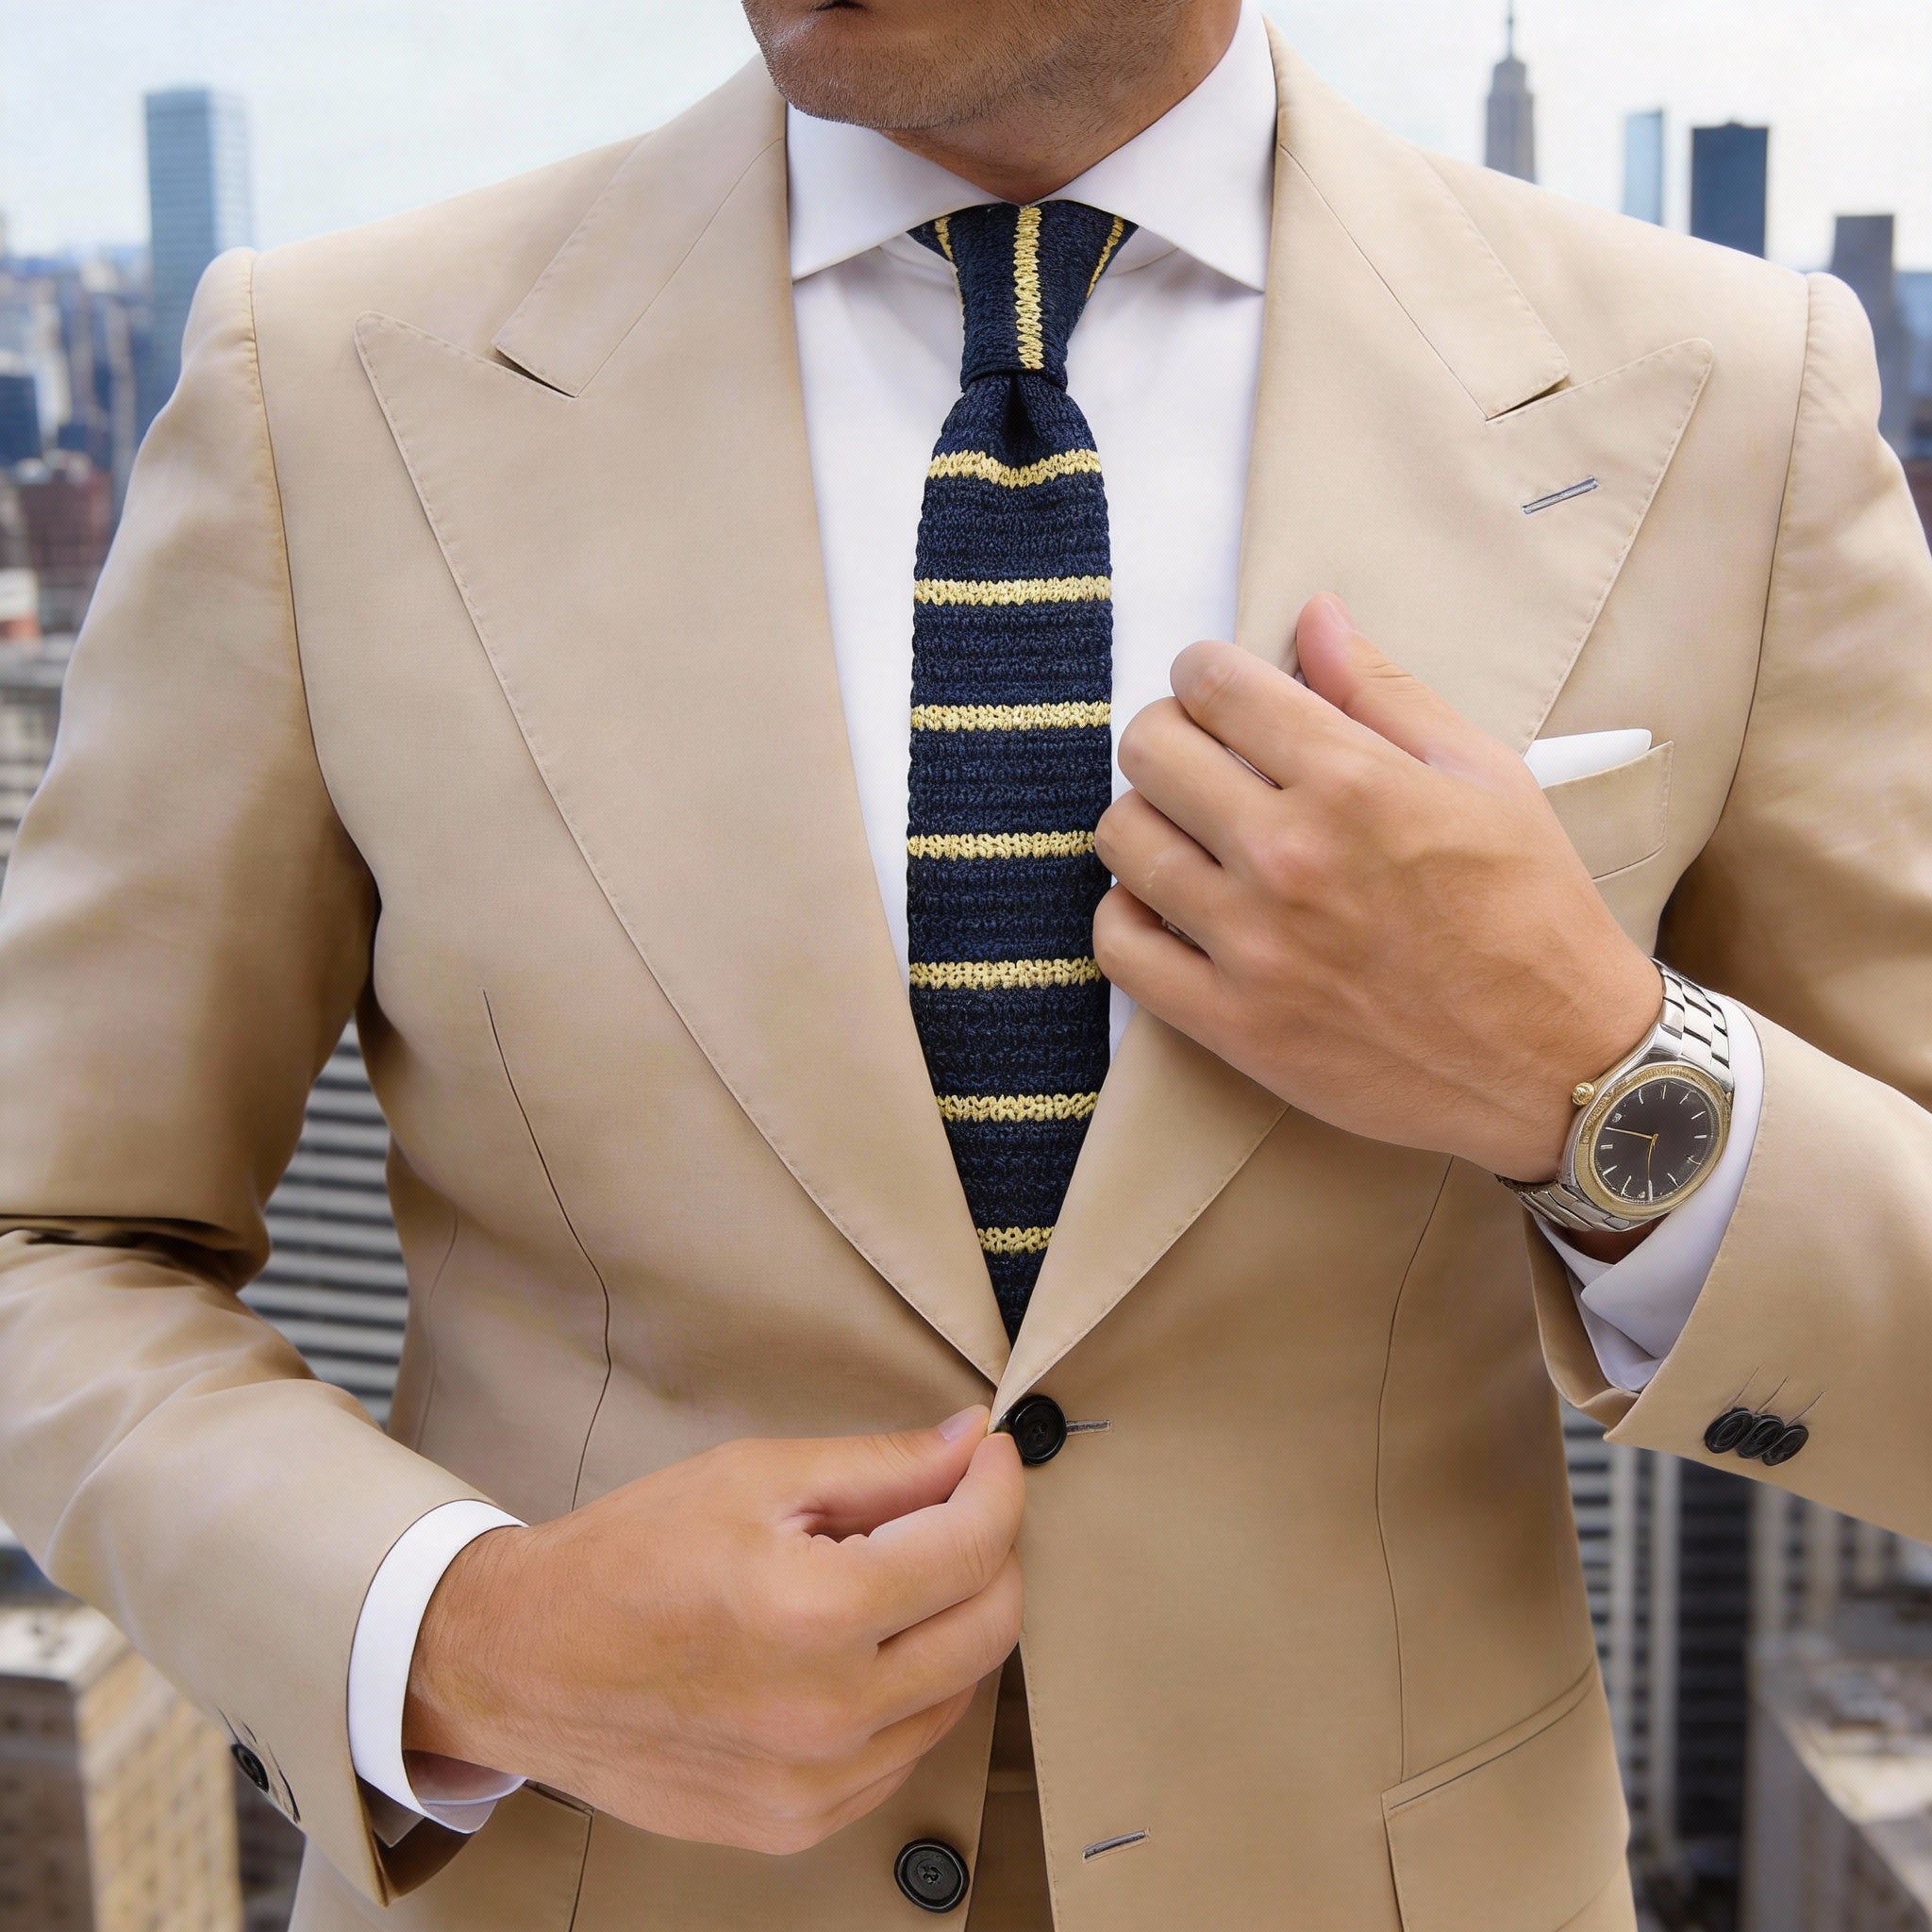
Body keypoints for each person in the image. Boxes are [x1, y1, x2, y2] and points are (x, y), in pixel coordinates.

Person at [2, 0, 1929, 1925]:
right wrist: (463, 1634)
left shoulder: (1724, 404)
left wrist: (1597, 1079)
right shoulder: (326, 390)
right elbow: (51, 1238)